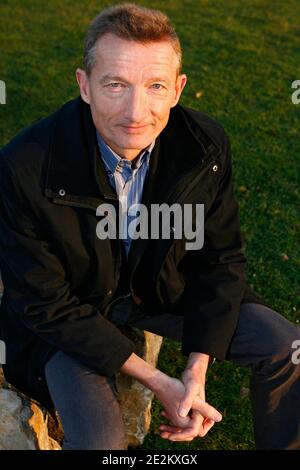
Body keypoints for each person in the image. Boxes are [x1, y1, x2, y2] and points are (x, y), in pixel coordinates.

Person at [0, 3, 299, 450]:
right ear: (84, 86)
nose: (137, 111)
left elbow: (219, 261)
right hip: (72, 314)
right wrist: (159, 381)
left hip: (158, 292)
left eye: (155, 85)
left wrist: (195, 370)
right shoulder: (25, 164)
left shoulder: (205, 146)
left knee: (286, 348)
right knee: (100, 439)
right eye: (115, 84)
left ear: (177, 90)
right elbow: (44, 304)